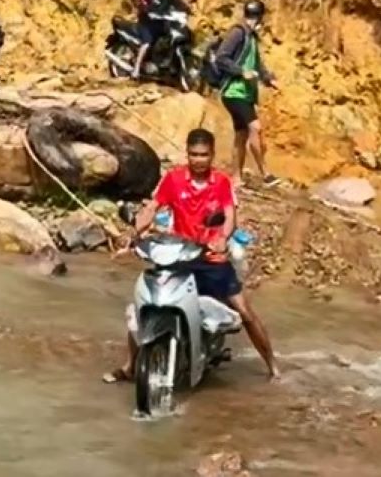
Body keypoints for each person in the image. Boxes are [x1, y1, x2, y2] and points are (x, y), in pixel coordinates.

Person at [105, 128, 280, 383]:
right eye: (193, 154)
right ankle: (131, 366)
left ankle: (272, 365)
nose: (198, 160)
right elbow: (153, 207)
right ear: (187, 153)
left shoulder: (221, 182)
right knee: (146, 303)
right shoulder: (174, 180)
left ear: (212, 155)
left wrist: (222, 238)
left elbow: (230, 215)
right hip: (178, 256)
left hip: (210, 258)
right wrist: (134, 232)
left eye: (204, 155)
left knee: (245, 312)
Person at [217, 0, 279, 188]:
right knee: (255, 128)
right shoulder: (238, 33)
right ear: (259, 17)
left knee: (241, 135)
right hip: (234, 92)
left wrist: (269, 79)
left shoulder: (251, 38)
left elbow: (257, 64)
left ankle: (236, 177)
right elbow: (221, 57)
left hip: (245, 93)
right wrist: (240, 71)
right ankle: (266, 174)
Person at [132, 0, 191, 79]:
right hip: (147, 22)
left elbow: (176, 1)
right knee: (147, 43)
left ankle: (166, 64)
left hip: (161, 21)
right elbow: (142, 0)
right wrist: (147, 10)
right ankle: (136, 69)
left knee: (170, 38)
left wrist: (186, 9)